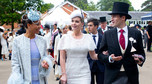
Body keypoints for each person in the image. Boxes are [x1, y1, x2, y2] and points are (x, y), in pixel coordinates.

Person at [98, 2, 145, 84]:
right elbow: (100, 55)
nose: (111, 19)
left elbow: (141, 52)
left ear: (123, 17)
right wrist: (110, 58)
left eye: (114, 16)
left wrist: (140, 60)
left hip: (131, 76)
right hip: (112, 76)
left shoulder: (136, 33)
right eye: (111, 16)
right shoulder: (107, 34)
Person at [8, 7, 52, 84]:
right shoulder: (17, 41)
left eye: (40, 24)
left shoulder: (42, 40)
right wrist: (17, 80)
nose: (40, 27)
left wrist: (46, 63)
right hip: (25, 81)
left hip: (40, 80)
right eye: (37, 24)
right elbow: (15, 63)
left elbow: (45, 57)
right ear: (29, 25)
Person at [58, 10, 98, 84]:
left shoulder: (88, 37)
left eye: (77, 21)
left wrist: (104, 56)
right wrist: (63, 74)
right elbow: (62, 58)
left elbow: (93, 56)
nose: (74, 23)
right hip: (69, 73)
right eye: (72, 21)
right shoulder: (64, 38)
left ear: (82, 24)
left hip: (84, 74)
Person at [87, 18, 105, 84]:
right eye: (88, 25)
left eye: (90, 25)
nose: (88, 27)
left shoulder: (103, 37)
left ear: (96, 26)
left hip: (101, 66)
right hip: (89, 65)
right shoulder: (86, 38)